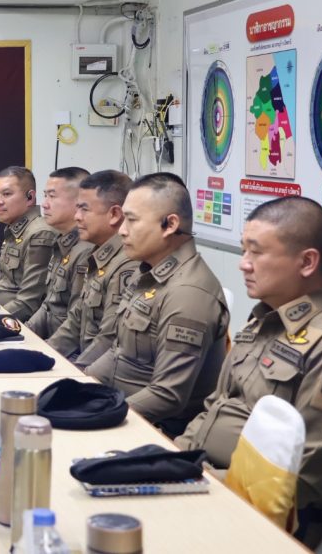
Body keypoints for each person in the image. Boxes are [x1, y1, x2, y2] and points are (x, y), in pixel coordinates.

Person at [175, 196, 322, 547]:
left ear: (307, 262)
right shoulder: (264, 320)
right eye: (243, 250)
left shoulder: (321, 342)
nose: (243, 264)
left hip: (265, 519)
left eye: (256, 252)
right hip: (203, 478)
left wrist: (199, 483)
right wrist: (173, 459)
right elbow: (214, 406)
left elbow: (304, 475)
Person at [85, 173, 228, 436]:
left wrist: (97, 416)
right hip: (121, 409)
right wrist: (79, 383)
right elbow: (117, 352)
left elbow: (167, 395)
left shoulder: (188, 292)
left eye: (132, 220)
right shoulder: (149, 273)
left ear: (170, 224)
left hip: (158, 430)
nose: (122, 230)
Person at [48, 170, 139, 367]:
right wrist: (41, 356)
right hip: (83, 363)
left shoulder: (127, 265)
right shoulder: (97, 256)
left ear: (114, 214)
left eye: (84, 209)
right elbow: (74, 322)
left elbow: (108, 340)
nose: (77, 217)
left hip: (95, 371)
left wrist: (75, 374)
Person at [25, 167, 93, 339]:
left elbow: (76, 324)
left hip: (65, 349)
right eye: (45, 195)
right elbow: (48, 306)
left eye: (52, 196)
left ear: (79, 202)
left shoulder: (85, 252)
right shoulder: (62, 243)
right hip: (51, 342)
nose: (44, 204)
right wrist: (22, 334)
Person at [0, 166, 56, 321]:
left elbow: (28, 303)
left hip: (20, 324)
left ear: (30, 197)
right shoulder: (15, 230)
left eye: (7, 194)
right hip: (1, 311)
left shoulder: (39, 233)